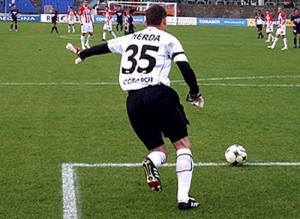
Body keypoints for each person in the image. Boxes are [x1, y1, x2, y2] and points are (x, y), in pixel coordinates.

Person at [66, 5, 204, 210]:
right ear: (163, 21)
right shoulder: (169, 39)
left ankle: (151, 162)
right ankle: (183, 198)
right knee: (182, 145)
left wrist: (84, 53)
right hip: (159, 95)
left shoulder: (130, 38)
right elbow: (185, 68)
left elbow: (103, 47)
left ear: (145, 20)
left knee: (158, 149)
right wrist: (194, 92)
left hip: (133, 101)